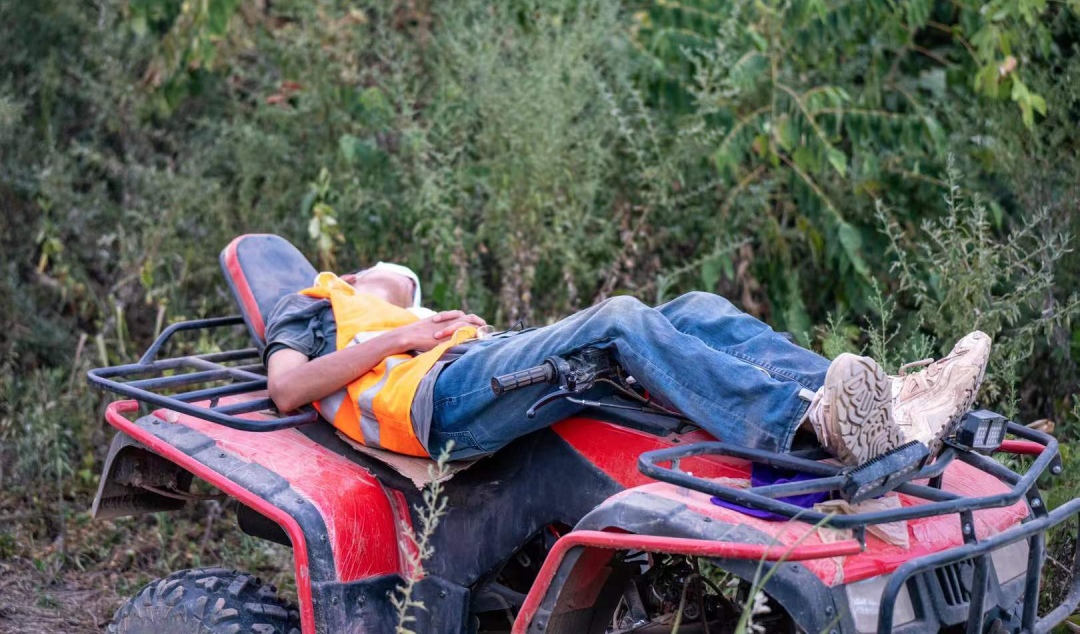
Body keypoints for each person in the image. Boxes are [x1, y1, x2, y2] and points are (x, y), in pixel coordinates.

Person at [264, 264, 991, 466]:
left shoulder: (397, 312)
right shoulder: (309, 308)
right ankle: (811, 420)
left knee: (698, 308)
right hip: (435, 403)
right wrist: (395, 342)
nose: (375, 279)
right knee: (616, 320)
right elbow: (288, 388)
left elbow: (401, 298)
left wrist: (440, 327)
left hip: (472, 363)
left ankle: (891, 402)